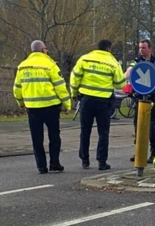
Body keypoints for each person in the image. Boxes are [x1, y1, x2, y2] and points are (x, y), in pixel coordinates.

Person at [14, 40, 71, 174]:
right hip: (51, 106)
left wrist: (21, 103)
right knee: (54, 137)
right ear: (42, 50)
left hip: (32, 108)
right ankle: (54, 163)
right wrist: (67, 104)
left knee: (36, 138)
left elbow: (17, 88)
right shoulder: (50, 65)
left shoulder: (22, 66)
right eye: (46, 49)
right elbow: (60, 86)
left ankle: (41, 166)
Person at [71, 39, 124, 171]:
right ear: (109, 49)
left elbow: (75, 77)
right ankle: (102, 162)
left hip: (86, 100)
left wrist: (74, 93)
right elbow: (120, 84)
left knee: (85, 130)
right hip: (103, 102)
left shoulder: (85, 59)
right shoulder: (113, 63)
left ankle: (85, 160)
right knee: (103, 132)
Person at [126, 39, 155, 163]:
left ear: (150, 48)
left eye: (144, 48)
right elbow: (129, 72)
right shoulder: (137, 61)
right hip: (139, 98)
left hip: (154, 99)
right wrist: (127, 74)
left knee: (153, 128)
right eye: (140, 48)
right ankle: (139, 152)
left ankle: (154, 152)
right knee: (138, 126)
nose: (141, 50)